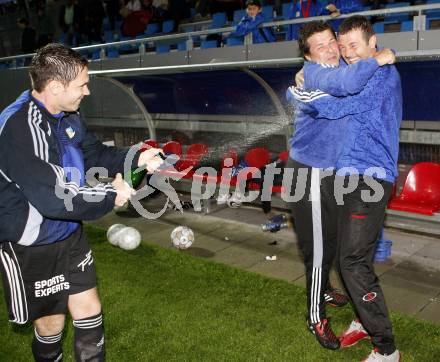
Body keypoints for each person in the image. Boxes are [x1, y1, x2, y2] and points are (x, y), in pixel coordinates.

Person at [0, 43, 164, 361]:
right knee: (52, 324)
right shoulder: (19, 128)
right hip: (31, 241)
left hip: (69, 231)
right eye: (82, 85)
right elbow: (54, 199)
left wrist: (138, 157)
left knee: (89, 308)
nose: (87, 92)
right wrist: (111, 194)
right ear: (56, 86)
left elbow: (95, 154)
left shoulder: (68, 113)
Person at [289, 16, 401, 361]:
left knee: (349, 260)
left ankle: (384, 346)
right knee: (333, 254)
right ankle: (341, 319)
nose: (345, 52)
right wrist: (302, 85)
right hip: (324, 175)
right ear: (308, 55)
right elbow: (341, 86)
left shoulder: (374, 76)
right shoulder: (346, 74)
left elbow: (342, 100)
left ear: (373, 43)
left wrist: (305, 88)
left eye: (353, 45)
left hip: (364, 178)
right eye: (342, 45)